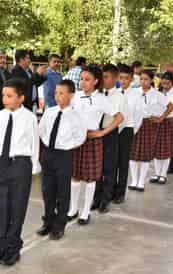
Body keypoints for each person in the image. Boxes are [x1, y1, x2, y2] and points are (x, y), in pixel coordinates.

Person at [0, 78, 39, 266]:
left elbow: (34, 143)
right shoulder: (0, 116)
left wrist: (32, 167)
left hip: (21, 163)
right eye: (3, 95)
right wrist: (3, 156)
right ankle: (2, 245)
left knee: (17, 206)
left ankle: (13, 248)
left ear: (21, 98)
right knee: (3, 206)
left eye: (9, 96)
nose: (5, 99)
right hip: (4, 163)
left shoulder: (29, 118)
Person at [67, 65, 119, 225]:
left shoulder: (101, 99)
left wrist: (102, 132)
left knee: (90, 178)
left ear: (96, 81)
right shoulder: (75, 96)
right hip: (76, 139)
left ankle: (85, 211)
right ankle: (73, 209)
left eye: (87, 79)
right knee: (75, 175)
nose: (83, 82)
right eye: (82, 79)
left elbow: (119, 117)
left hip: (92, 139)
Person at [37, 79, 86, 240]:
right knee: (47, 190)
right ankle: (48, 221)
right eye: (56, 93)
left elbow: (80, 136)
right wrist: (47, 145)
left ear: (71, 95)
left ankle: (60, 225)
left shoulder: (76, 116)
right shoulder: (50, 111)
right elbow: (42, 130)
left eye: (61, 93)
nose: (57, 96)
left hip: (64, 155)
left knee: (62, 191)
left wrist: (66, 145)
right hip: (48, 153)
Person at [128, 70, 173, 192]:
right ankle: (133, 180)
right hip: (134, 123)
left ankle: (141, 182)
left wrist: (160, 118)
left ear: (152, 80)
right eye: (141, 79)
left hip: (149, 124)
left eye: (146, 79)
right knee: (133, 152)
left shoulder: (157, 94)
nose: (143, 81)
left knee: (145, 153)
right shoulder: (133, 92)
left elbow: (170, 106)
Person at [92, 64, 124, 214]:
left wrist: (105, 132)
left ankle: (105, 200)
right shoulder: (97, 95)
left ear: (115, 78)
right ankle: (96, 199)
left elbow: (121, 119)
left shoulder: (119, 96)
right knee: (97, 167)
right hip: (96, 132)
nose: (103, 80)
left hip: (110, 133)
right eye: (101, 77)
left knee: (109, 168)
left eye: (106, 77)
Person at [113, 64, 144, 204]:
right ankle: (111, 190)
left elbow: (138, 116)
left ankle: (120, 193)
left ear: (131, 79)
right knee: (112, 162)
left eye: (126, 78)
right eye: (121, 78)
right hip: (114, 129)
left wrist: (132, 131)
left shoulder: (137, 95)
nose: (123, 81)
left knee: (123, 162)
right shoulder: (115, 92)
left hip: (128, 130)